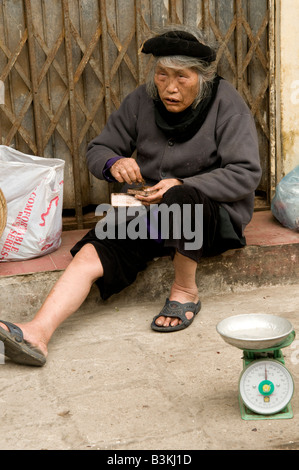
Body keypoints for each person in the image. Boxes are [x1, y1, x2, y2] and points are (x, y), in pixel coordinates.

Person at [0, 25, 261, 366]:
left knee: (180, 199)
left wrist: (180, 182)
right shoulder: (141, 99)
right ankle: (38, 331)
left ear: (204, 77)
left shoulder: (228, 104)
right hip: (152, 216)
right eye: (162, 74)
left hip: (210, 220)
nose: (169, 87)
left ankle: (185, 292)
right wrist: (114, 162)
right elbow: (100, 148)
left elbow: (245, 173)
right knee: (102, 238)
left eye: (181, 77)